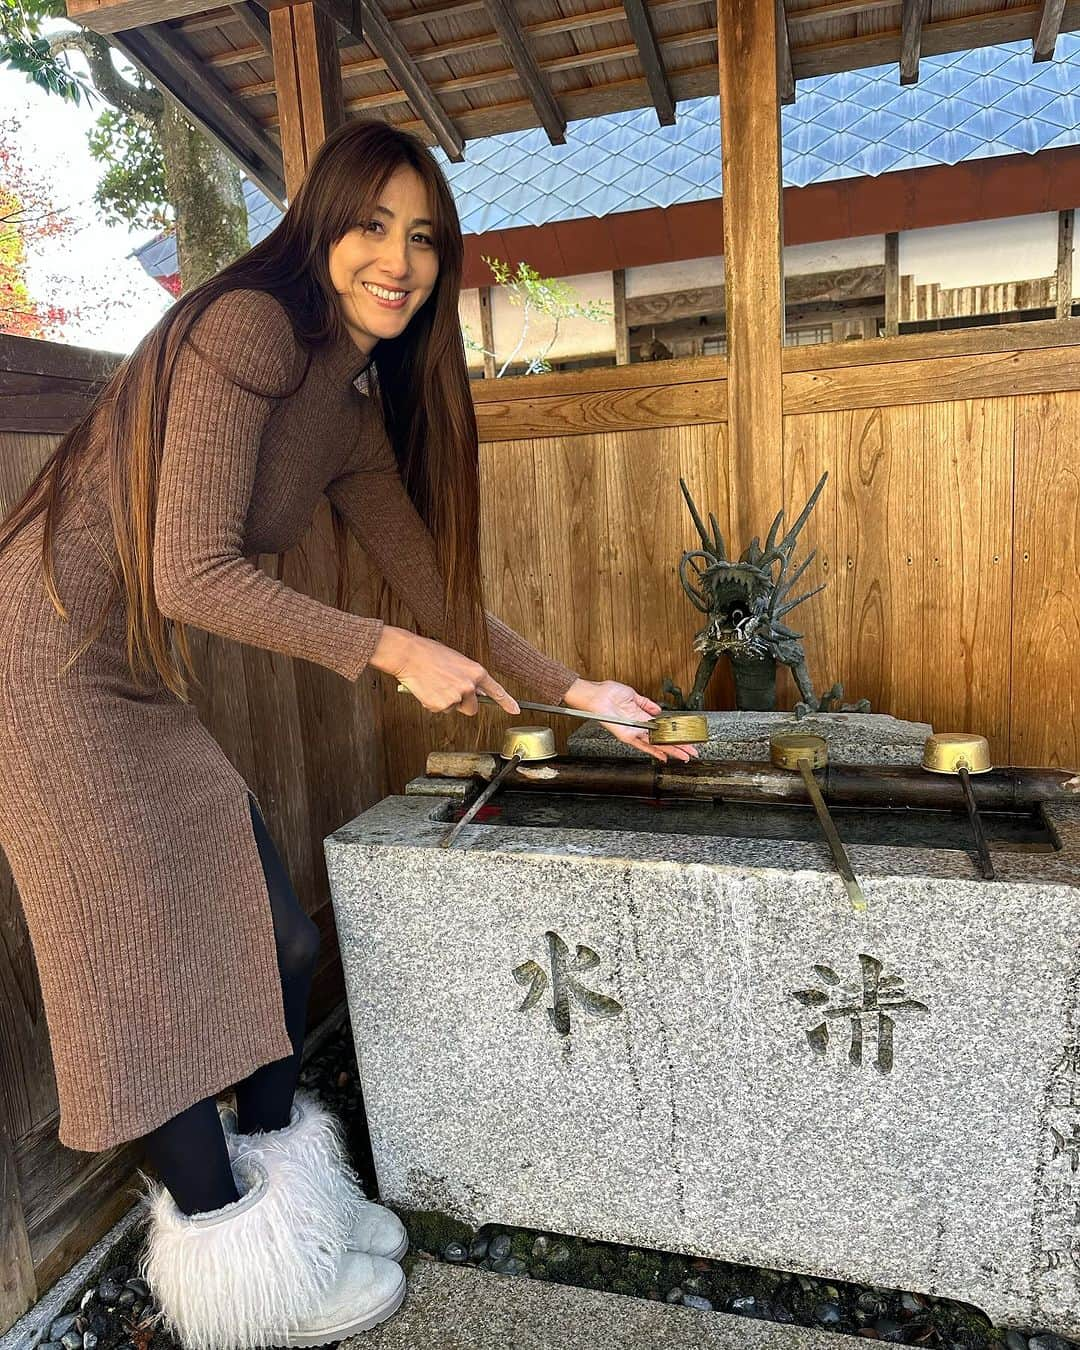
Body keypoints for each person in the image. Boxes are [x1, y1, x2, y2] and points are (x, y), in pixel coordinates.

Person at [0, 119, 698, 1348]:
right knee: (136, 979)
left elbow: (436, 600)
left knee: (277, 941)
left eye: (424, 236)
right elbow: (189, 574)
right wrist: (381, 653)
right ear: (318, 227)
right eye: (372, 223)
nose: (399, 258)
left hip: (124, 670)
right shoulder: (248, 330)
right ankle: (245, 1275)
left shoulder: (352, 408)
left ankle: (298, 1210)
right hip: (37, 670)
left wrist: (580, 693)